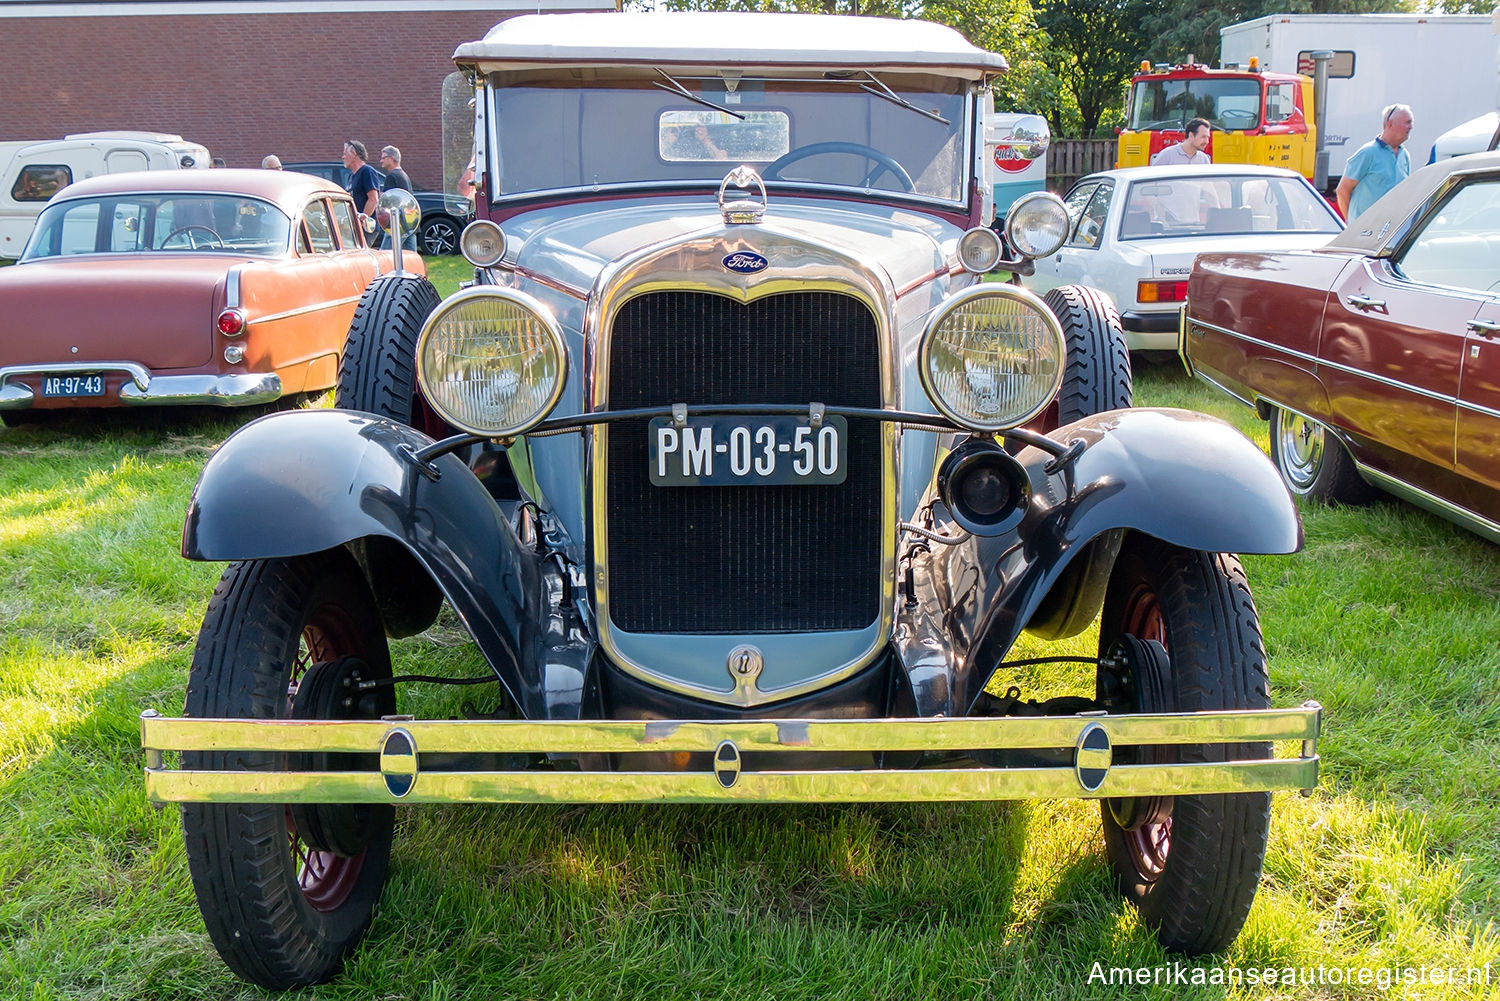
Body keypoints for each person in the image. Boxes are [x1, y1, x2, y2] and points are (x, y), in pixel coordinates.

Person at [1336, 103, 1414, 222]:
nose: (1411, 127)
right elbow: (1343, 190)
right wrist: (1352, 224)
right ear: (1390, 124)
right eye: (1407, 122)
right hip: (1365, 233)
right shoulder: (1367, 153)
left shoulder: (1404, 155)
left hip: (1390, 230)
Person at [377, 145, 417, 251]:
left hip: (396, 225)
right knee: (411, 259)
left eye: (383, 157)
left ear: (392, 158)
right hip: (409, 224)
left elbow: (385, 202)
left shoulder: (391, 176)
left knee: (385, 256)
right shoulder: (404, 175)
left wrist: (381, 196)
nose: (381, 161)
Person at [341, 140, 381, 224]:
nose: (343, 157)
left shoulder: (367, 171)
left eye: (345, 154)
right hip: (354, 224)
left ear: (354, 154)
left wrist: (363, 220)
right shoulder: (351, 176)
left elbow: (373, 199)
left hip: (366, 227)